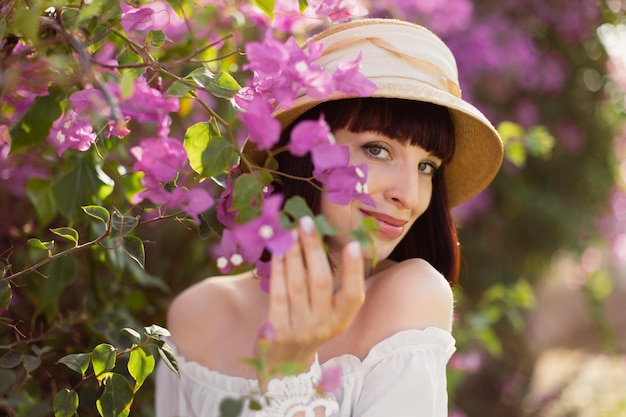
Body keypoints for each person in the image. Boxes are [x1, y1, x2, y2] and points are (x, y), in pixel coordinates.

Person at [155, 18, 503, 417]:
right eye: (377, 150)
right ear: (304, 151)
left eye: (427, 166)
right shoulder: (198, 314)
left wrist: (291, 371)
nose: (408, 196)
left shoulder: (411, 297)